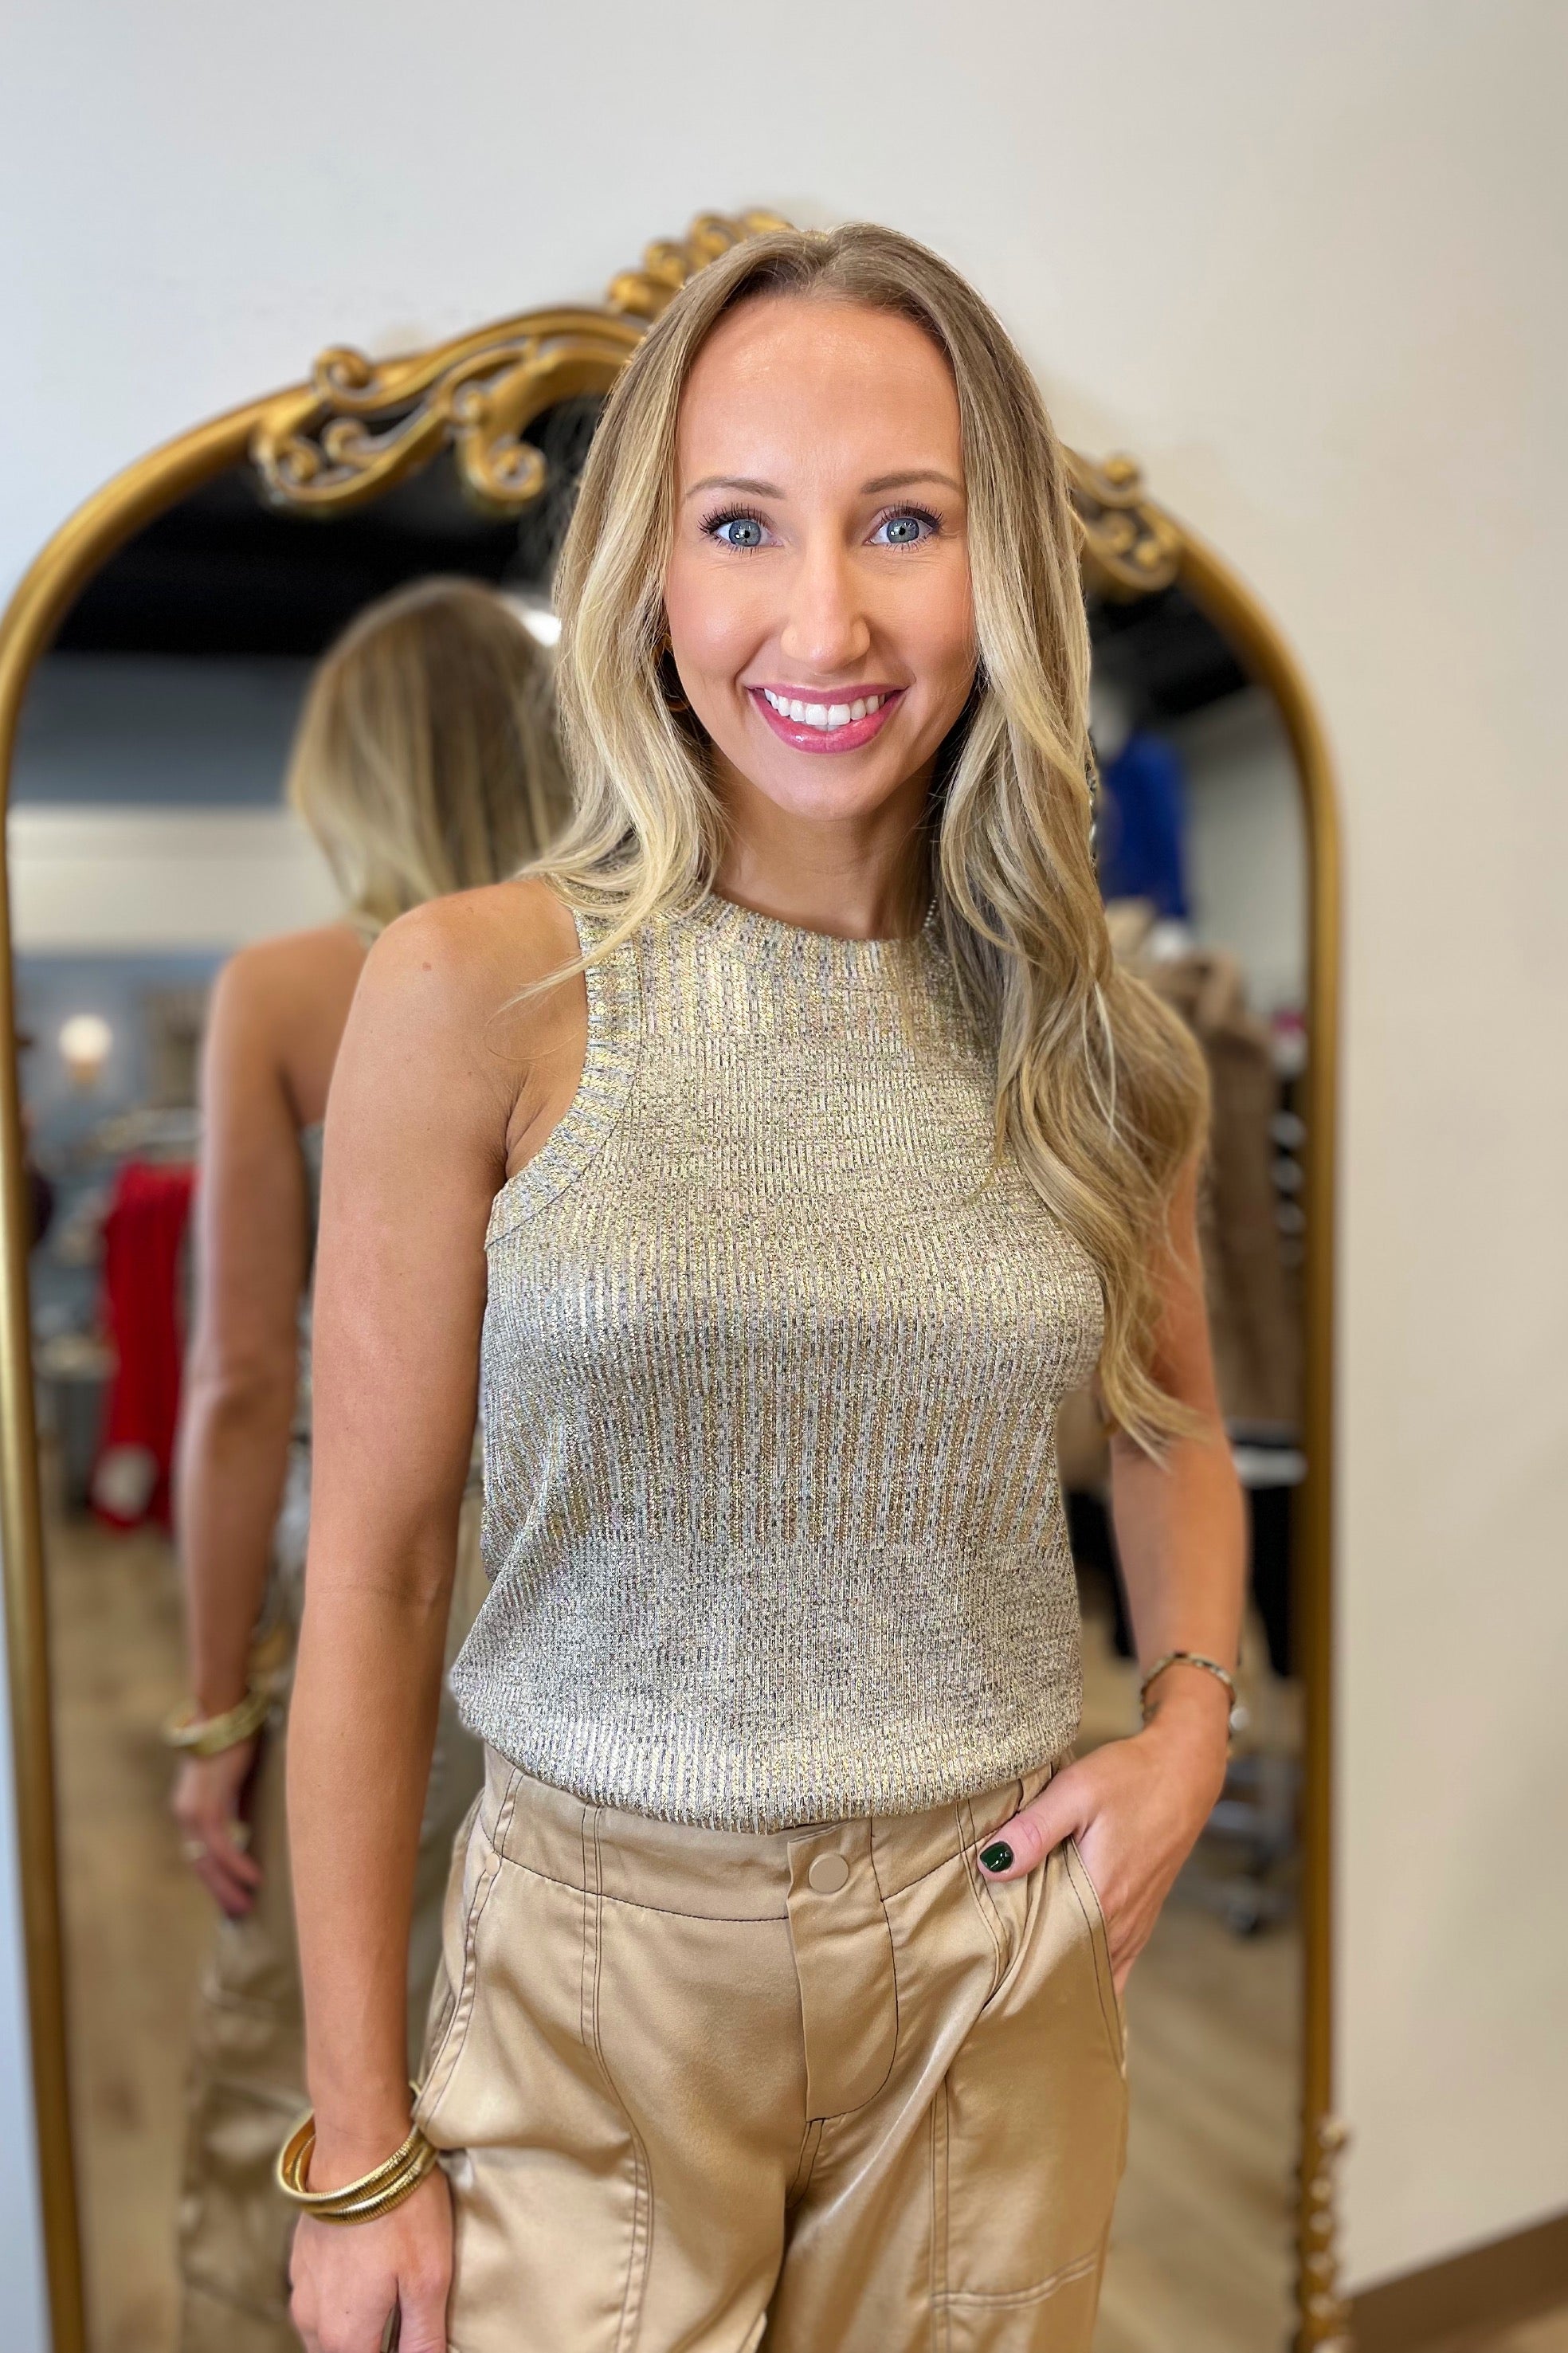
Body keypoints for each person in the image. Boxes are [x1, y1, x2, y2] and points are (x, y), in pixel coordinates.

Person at [283, 225, 1245, 2353]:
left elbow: (1170, 1422)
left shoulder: (1098, 1039)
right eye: (741, 525)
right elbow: (378, 1566)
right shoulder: (474, 989)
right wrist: (355, 2141)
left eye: (905, 522)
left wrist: (1191, 1718)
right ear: (646, 569)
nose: (827, 620)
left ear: (1004, 567)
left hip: (989, 1946)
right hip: (591, 1968)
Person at [167, 576, 567, 2351]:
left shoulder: (287, 991)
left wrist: (213, 1711)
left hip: (368, 1568)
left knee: (305, 2056)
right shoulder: (606, 976)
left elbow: (243, 1380)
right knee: (546, 2033)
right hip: (576, 1569)